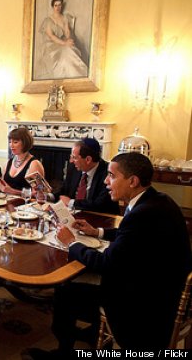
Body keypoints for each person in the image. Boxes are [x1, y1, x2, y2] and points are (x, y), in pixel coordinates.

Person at [28, 153, 192, 359]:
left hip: (144, 303)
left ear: (132, 181)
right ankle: (92, 332)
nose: (106, 180)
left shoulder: (141, 215)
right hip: (164, 287)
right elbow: (129, 235)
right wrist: (97, 232)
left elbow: (105, 263)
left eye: (112, 176)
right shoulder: (157, 201)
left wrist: (71, 242)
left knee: (65, 289)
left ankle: (64, 352)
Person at [51, 138, 119, 214]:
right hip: (73, 215)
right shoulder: (74, 167)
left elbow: (99, 205)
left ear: (88, 160)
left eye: (74, 157)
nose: (71, 161)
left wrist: (71, 202)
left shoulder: (108, 173)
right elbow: (64, 189)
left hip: (101, 218)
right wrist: (50, 196)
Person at [36, 0, 88, 80]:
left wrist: (67, 35)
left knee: (69, 49)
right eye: (56, 5)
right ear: (53, 6)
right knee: (64, 52)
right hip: (51, 45)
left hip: (63, 41)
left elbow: (67, 33)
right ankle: (63, 77)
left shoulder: (64, 18)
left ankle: (79, 75)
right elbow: (51, 36)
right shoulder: (48, 20)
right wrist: (64, 43)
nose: (58, 7)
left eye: (59, 5)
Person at [0, 128, 44, 195]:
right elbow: (5, 188)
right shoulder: (8, 163)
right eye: (10, 142)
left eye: (15, 142)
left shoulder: (34, 164)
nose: (11, 145)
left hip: (26, 204)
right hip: (8, 202)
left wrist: (13, 191)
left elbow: (38, 193)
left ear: (25, 143)